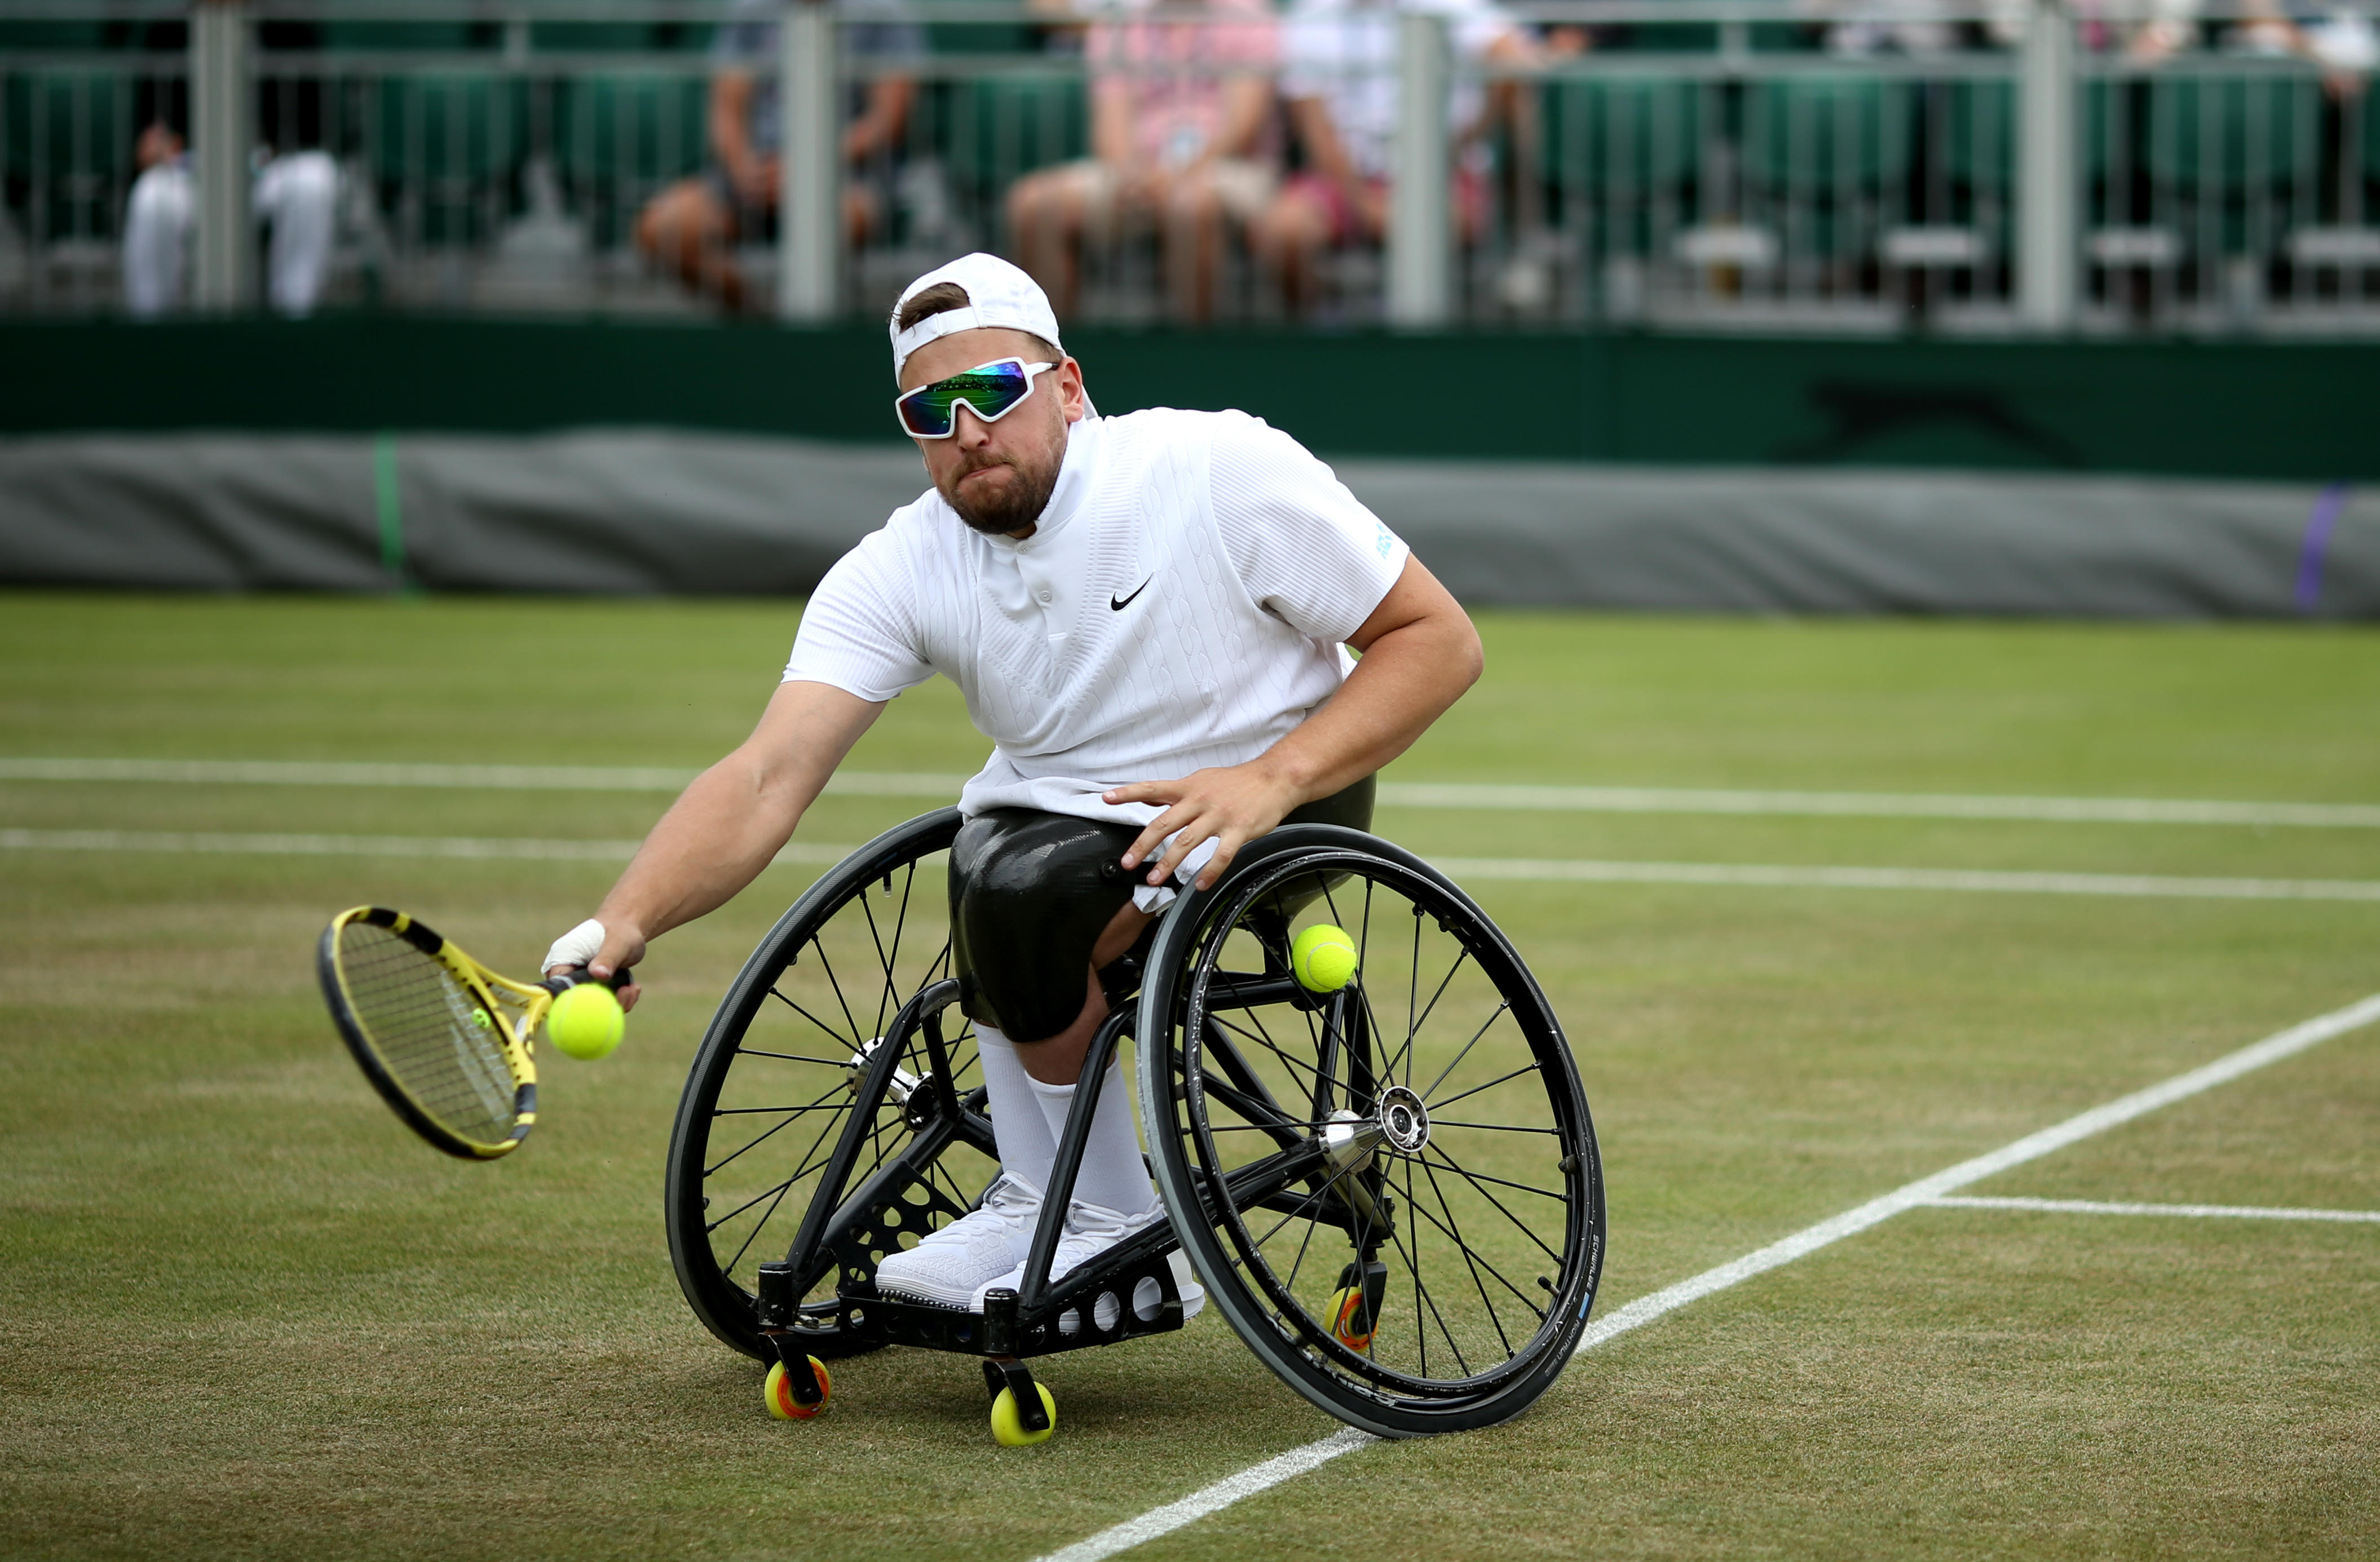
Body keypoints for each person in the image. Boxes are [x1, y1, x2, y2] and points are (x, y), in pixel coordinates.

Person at [540, 251, 1482, 1315]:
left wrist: (1269, 779)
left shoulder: (1215, 468)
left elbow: (1438, 641)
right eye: (927, 410)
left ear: (1068, 388)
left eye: (992, 392)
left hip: (1289, 791)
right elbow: (766, 773)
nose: (966, 431)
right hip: (1065, 820)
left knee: (1017, 893)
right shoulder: (902, 564)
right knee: (991, 867)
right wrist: (621, 923)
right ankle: (1042, 1194)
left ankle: (1128, 1227)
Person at [635, 0, 923, 313]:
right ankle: (757, 316)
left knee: (837, 224)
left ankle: (807, 326)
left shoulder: (884, 13)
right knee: (662, 228)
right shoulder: (749, 11)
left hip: (846, 177)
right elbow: (727, 109)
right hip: (752, 174)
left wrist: (807, 168)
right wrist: (745, 169)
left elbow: (886, 120)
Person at [1004, 0, 1280, 322]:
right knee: (1035, 203)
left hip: (1229, 168)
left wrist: (1176, 177)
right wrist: (1132, 174)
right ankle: (1055, 360)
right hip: (1136, 172)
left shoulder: (1250, 17)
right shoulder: (1118, 24)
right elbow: (1111, 124)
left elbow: (1242, 128)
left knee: (1188, 206)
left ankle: (1197, 357)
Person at [1252, 0, 1530, 317]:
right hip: (1344, 179)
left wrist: (1462, 142)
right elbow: (1317, 129)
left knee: (1424, 228)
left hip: (1444, 179)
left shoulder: (1453, 7)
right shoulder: (1311, 17)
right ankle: (1322, 336)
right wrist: (1363, 202)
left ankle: (1418, 347)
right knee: (1282, 231)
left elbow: (1512, 60)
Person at [121, 121, 338, 318]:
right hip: (188, 174)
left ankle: (296, 315)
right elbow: (146, 142)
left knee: (313, 178)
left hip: (272, 169)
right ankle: (152, 323)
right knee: (150, 194)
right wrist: (157, 146)